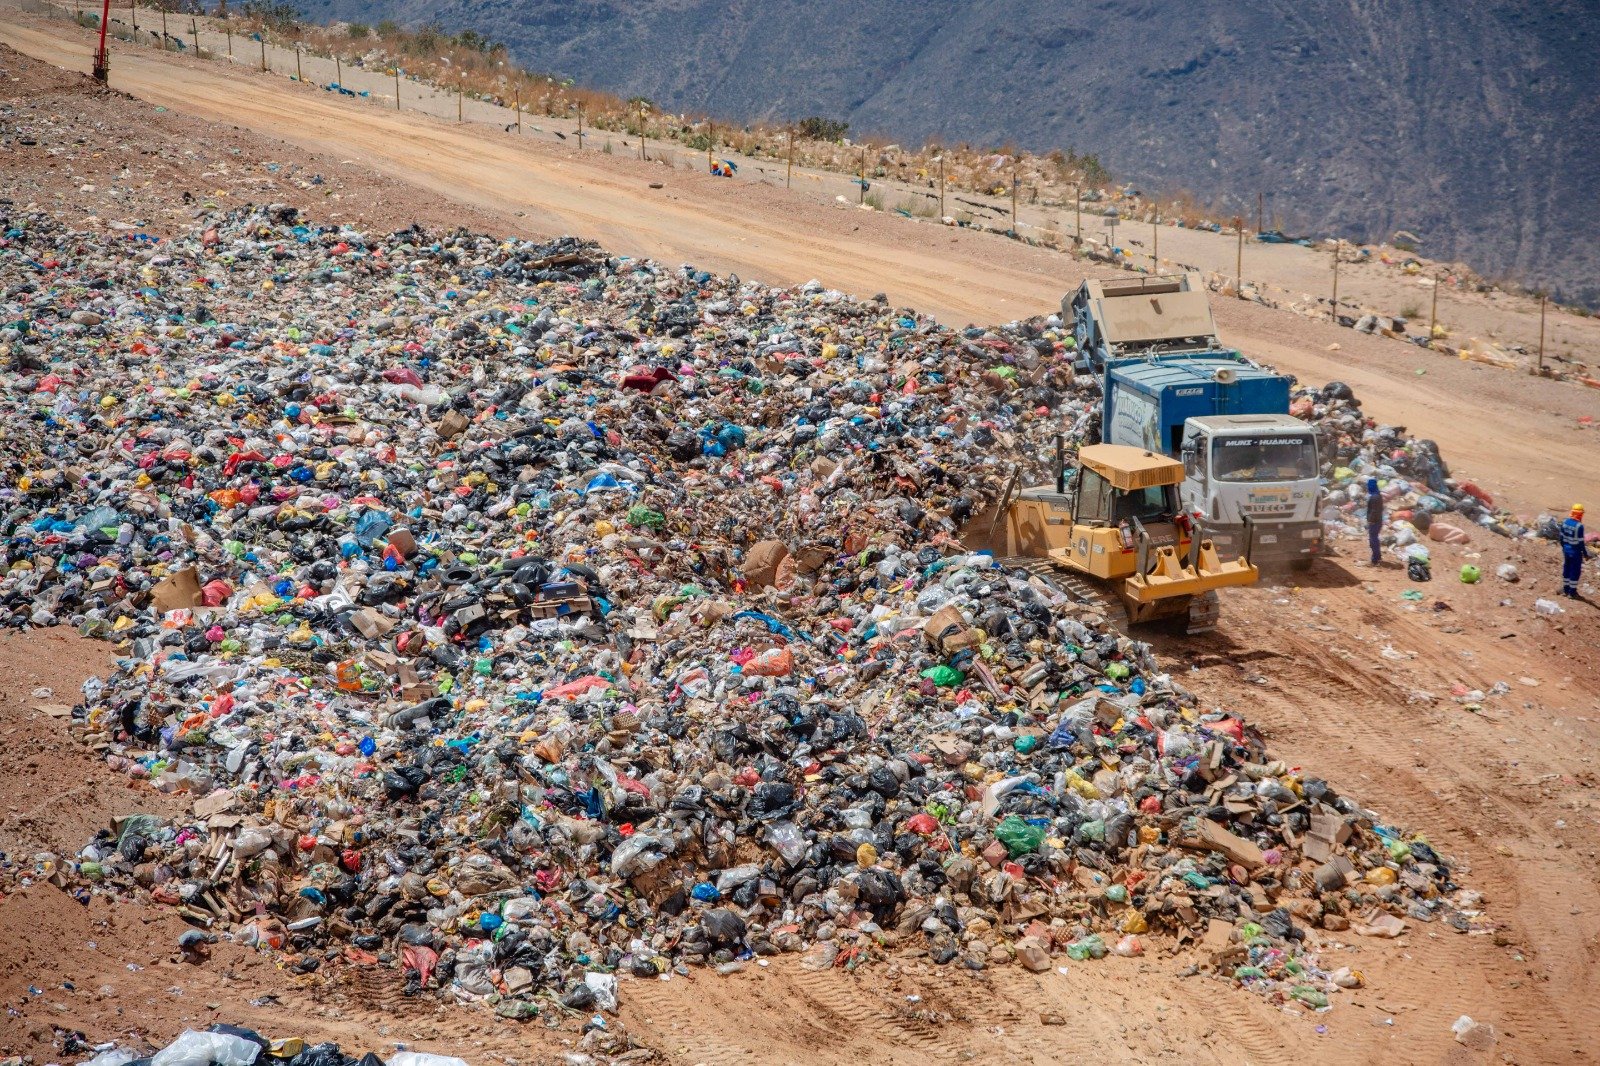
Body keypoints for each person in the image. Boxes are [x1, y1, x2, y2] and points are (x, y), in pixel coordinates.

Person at [1561, 503, 1590, 598]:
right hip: (1575, 552)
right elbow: (1581, 543)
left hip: (1566, 550)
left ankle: (1565, 589)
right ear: (1580, 514)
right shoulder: (1579, 526)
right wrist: (1585, 554)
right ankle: (1572, 592)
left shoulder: (1565, 522)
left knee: (1567, 568)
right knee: (1575, 571)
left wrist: (1564, 548)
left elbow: (1561, 537)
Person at [1366, 478, 1383, 565]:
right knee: (1374, 539)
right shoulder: (1378, 495)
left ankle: (1375, 559)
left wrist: (1371, 520)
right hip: (1378, 520)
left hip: (1375, 522)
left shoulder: (1374, 497)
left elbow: (1374, 511)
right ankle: (1377, 557)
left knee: (1373, 540)